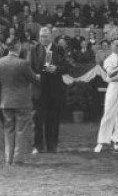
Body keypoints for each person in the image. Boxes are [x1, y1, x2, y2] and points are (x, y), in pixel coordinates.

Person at [0, 37, 40, 165]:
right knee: (21, 130)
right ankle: (18, 159)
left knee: (8, 130)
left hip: (5, 102)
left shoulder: (0, 62)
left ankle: (8, 159)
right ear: (18, 46)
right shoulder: (23, 63)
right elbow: (35, 79)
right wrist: (40, 75)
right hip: (22, 102)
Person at [31, 27, 69, 154]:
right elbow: (29, 67)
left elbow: (67, 67)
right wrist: (34, 76)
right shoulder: (34, 49)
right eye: (41, 36)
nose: (43, 39)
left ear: (51, 36)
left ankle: (52, 146)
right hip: (39, 90)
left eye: (46, 36)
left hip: (54, 91)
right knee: (38, 120)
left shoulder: (59, 49)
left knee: (53, 120)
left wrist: (56, 69)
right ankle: (38, 146)